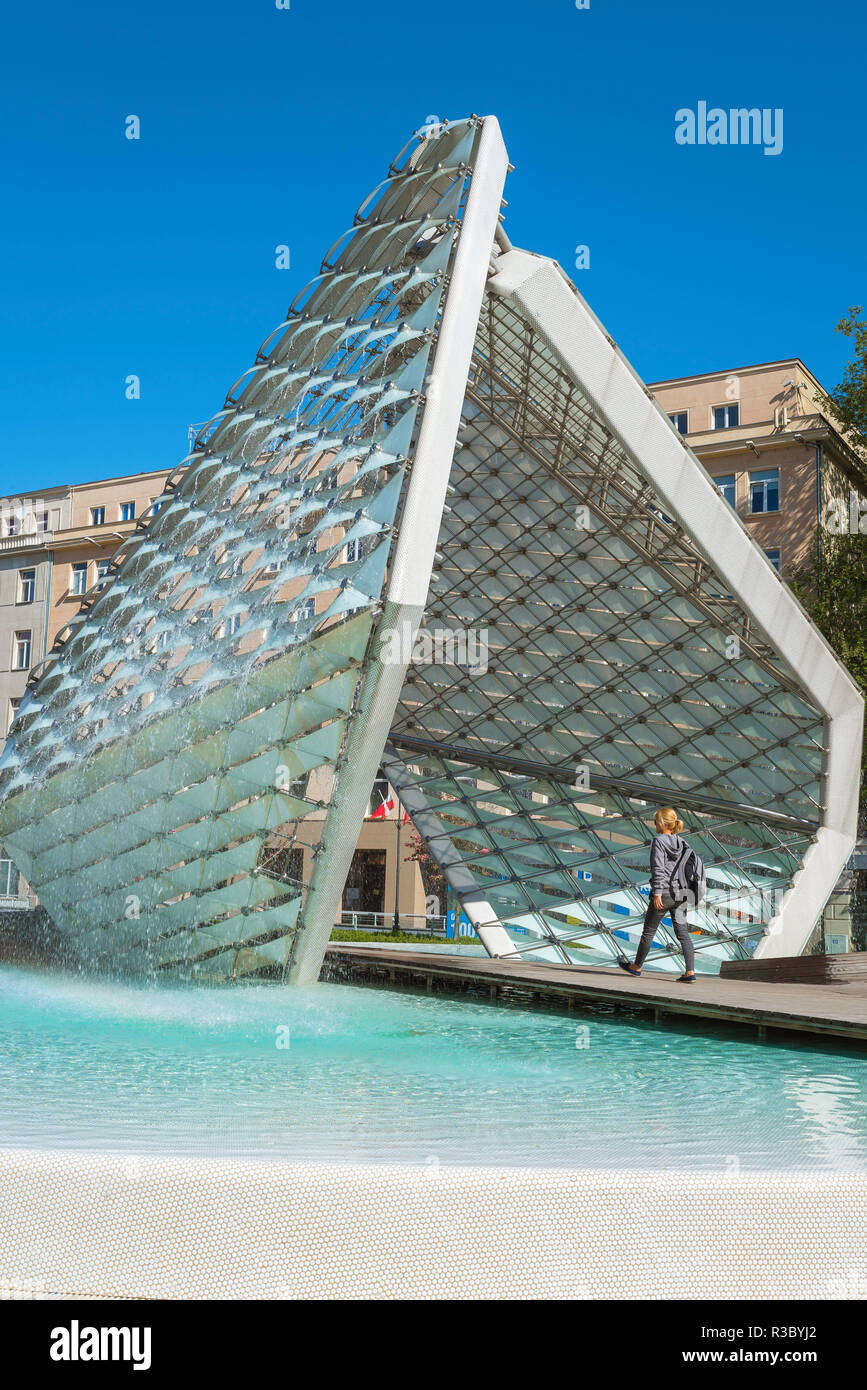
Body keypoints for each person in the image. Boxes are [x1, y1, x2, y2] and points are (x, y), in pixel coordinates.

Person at [618, 807, 696, 983]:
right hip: (681, 893)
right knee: (683, 933)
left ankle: (636, 967)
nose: (654, 825)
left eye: (655, 821)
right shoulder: (683, 843)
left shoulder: (658, 841)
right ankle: (690, 972)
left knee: (649, 931)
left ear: (662, 823)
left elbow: (658, 869)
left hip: (666, 893)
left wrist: (658, 894)